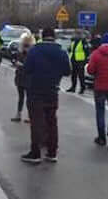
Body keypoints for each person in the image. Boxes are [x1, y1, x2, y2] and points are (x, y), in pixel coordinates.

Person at [21, 28, 71, 163]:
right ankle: (52, 152)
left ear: (42, 37)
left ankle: (35, 153)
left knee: (36, 122)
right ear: (54, 37)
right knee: (51, 121)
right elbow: (67, 71)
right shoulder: (61, 52)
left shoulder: (35, 51)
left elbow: (26, 69)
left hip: (36, 91)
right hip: (53, 91)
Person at [11, 33, 36, 122]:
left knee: (29, 98)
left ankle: (29, 116)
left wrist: (21, 65)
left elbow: (31, 66)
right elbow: (16, 61)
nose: (26, 47)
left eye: (27, 45)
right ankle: (19, 114)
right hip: (21, 77)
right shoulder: (21, 52)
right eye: (25, 45)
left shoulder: (32, 54)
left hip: (28, 78)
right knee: (21, 97)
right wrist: (15, 62)